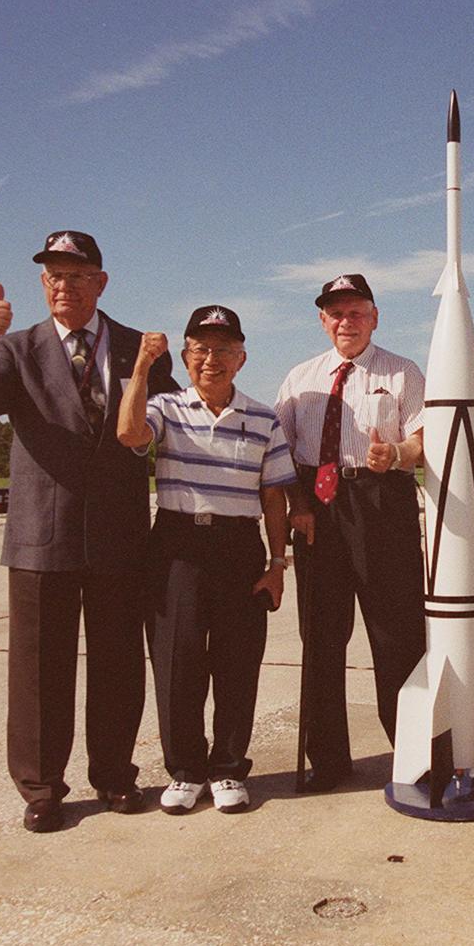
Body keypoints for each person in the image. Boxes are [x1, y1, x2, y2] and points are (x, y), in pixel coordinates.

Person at [0, 230, 178, 832]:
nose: (64, 285)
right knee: (38, 672)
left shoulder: (138, 347)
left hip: (119, 536)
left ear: (100, 282)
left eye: (77, 275)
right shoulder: (17, 347)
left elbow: (175, 424)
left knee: (117, 664)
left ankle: (114, 776)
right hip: (39, 537)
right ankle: (42, 788)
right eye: (53, 275)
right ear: (42, 284)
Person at [116, 306, 295, 814]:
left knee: (238, 663)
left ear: (240, 358)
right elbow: (129, 435)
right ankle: (186, 770)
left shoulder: (263, 417)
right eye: (199, 350)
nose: (209, 360)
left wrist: (278, 565)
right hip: (176, 545)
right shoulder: (166, 406)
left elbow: (274, 496)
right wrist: (142, 369)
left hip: (240, 548)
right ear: (186, 355)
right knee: (178, 662)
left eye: (221, 350)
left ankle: (228, 769)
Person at [275, 274, 427, 791]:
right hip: (319, 510)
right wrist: (298, 505)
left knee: (396, 634)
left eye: (356, 312)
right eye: (336, 313)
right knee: (321, 637)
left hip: (382, 503)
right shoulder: (300, 379)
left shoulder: (402, 372)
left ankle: (412, 755)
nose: (346, 322)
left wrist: (397, 455)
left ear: (375, 316)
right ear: (323, 320)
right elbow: (281, 454)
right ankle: (329, 761)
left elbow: (422, 438)